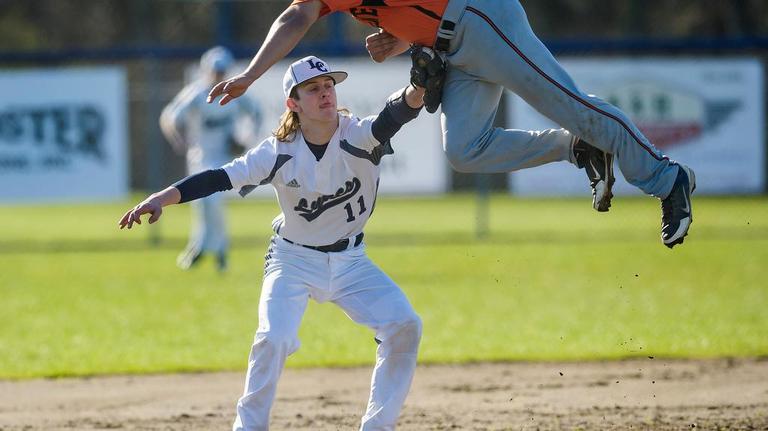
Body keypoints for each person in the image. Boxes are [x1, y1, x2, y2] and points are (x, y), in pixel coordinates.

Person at [206, 0, 696, 249]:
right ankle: (578, 148)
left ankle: (666, 176)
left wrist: (251, 74)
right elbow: (304, 12)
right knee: (466, 149)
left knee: (571, 103)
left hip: (482, 18)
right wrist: (401, 39)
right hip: (452, 44)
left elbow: (296, 15)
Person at [120, 55, 425, 431]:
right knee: (273, 337)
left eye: (329, 85)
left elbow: (394, 115)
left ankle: (378, 426)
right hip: (292, 259)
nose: (325, 93)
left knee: (404, 324)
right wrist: (161, 198)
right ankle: (248, 427)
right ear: (293, 103)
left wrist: (420, 87)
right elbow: (219, 177)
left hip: (352, 261)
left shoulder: (358, 135)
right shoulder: (279, 151)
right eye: (313, 89)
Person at [160, 46, 262, 272]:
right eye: (215, 71)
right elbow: (169, 117)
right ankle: (208, 248)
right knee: (202, 205)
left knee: (212, 201)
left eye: (222, 71)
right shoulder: (196, 94)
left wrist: (246, 139)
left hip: (224, 158)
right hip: (200, 157)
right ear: (205, 70)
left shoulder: (234, 93)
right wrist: (178, 140)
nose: (218, 75)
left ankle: (208, 250)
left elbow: (256, 112)